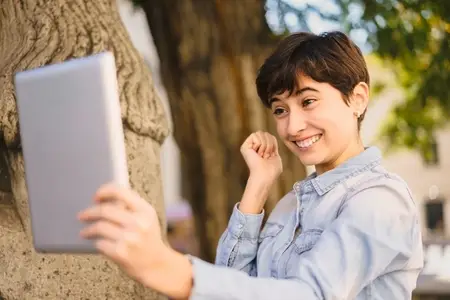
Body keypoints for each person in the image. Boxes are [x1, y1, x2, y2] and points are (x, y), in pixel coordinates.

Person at [78, 31, 424, 299]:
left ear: (358, 98)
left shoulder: (381, 201)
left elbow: (311, 294)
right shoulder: (291, 204)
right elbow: (236, 281)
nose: (292, 126)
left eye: (308, 101)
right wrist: (258, 185)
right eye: (280, 110)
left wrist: (170, 268)